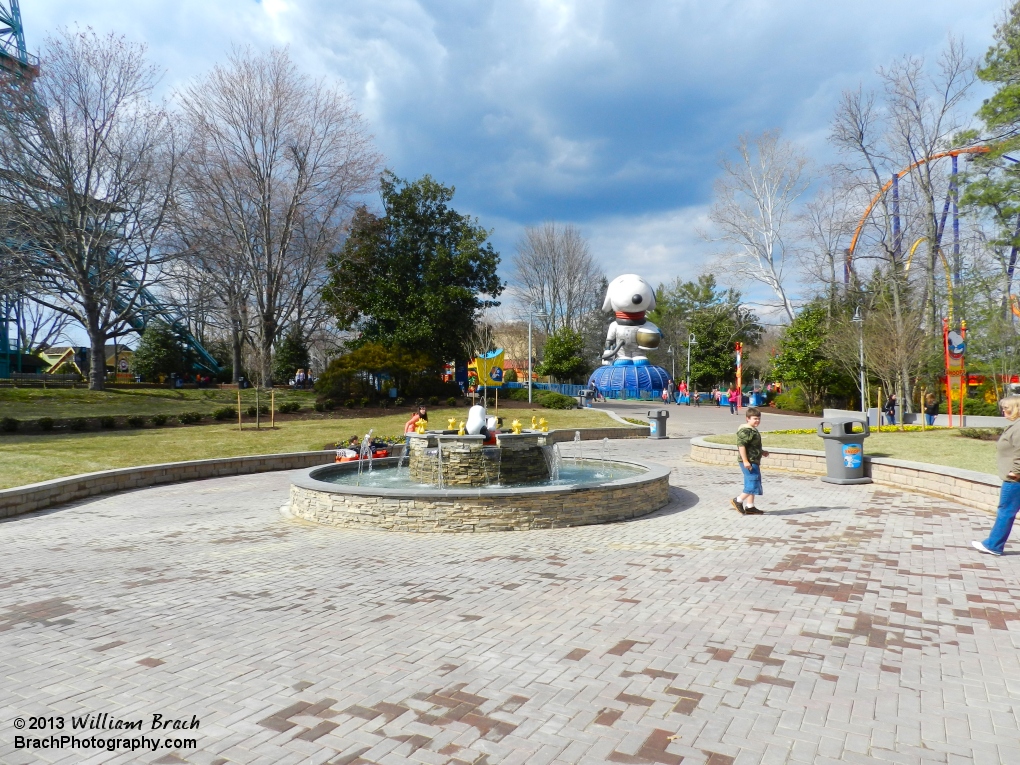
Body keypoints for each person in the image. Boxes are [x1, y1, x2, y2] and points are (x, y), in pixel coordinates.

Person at [973, 397, 1020, 556]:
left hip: (1015, 480)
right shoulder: (1015, 426)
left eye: (1006, 408)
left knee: (1005, 511)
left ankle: (994, 545)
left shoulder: (1019, 427)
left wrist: (1016, 472)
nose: (1003, 411)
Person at [732, 406, 768, 516]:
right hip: (749, 461)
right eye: (754, 418)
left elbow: (752, 446)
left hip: (754, 460)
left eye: (758, 418)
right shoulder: (745, 430)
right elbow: (741, 446)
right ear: (747, 418)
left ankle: (750, 506)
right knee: (753, 483)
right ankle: (738, 500)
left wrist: (761, 452)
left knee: (752, 481)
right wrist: (745, 461)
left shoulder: (752, 430)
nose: (757, 420)